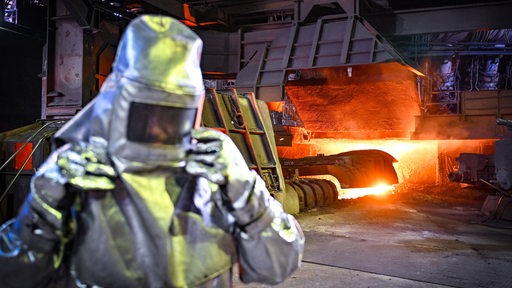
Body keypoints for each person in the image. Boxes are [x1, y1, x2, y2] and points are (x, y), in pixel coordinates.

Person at [0, 15, 304, 287]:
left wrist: (248, 197)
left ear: (192, 110)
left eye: (172, 113)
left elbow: (275, 267)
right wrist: (41, 216)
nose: (160, 128)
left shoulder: (212, 176)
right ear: (120, 103)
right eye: (148, 111)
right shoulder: (80, 176)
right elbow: (14, 275)